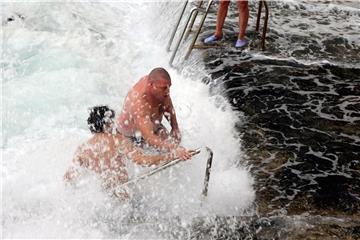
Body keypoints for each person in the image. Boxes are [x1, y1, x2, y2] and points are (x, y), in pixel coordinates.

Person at [64, 106, 195, 199]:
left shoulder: (83, 148)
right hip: (123, 195)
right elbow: (143, 160)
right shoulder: (117, 140)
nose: (114, 124)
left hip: (102, 199)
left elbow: (68, 178)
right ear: (107, 122)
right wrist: (172, 155)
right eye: (112, 120)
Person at [117, 67, 191, 159]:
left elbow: (167, 105)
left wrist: (175, 127)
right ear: (150, 85)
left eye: (169, 87)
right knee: (149, 159)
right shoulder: (139, 103)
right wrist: (174, 148)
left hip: (153, 126)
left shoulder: (159, 84)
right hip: (129, 136)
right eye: (164, 88)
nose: (168, 91)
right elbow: (149, 137)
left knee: (168, 141)